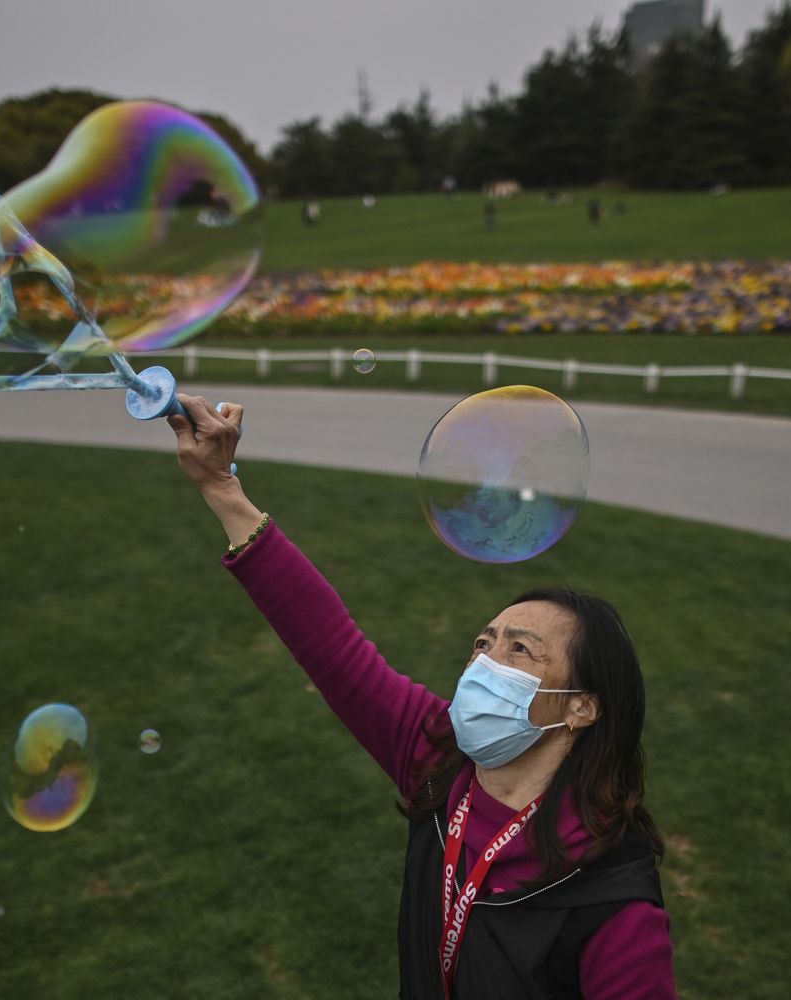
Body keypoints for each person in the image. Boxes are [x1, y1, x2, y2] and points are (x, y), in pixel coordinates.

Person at [166, 397, 676, 999]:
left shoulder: (613, 896)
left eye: (519, 651)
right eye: (483, 642)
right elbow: (330, 646)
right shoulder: (437, 756)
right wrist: (221, 485)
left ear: (580, 707)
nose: (485, 662)